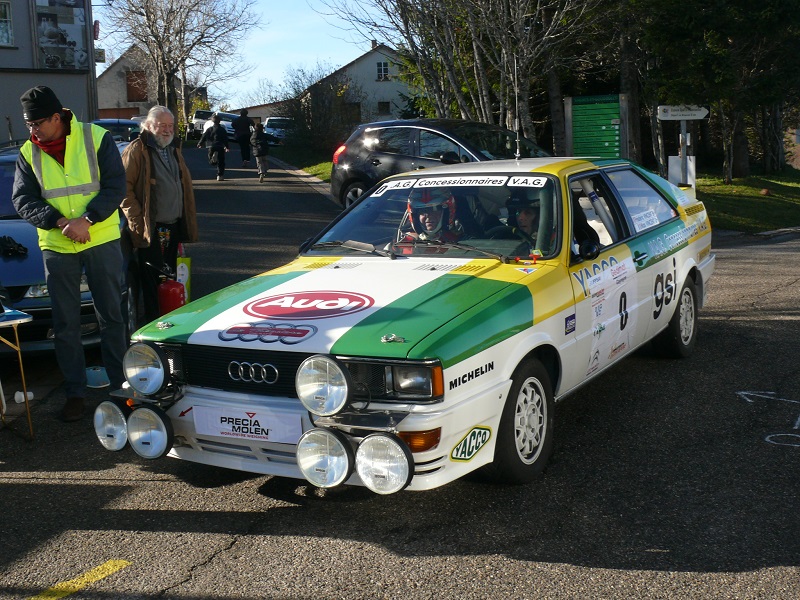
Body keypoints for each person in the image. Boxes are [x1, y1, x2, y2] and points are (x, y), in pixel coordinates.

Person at [11, 85, 127, 422]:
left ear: (58, 116)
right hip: (58, 246)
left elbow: (116, 185)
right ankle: (75, 392)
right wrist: (61, 221)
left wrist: (87, 219)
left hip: (101, 240)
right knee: (66, 325)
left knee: (111, 317)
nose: (33, 131)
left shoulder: (96, 137)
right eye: (28, 125)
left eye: (38, 123)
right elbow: (22, 200)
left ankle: (120, 389)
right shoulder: (27, 153)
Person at [121, 105, 199, 323]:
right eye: (161, 125)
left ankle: (168, 324)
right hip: (150, 227)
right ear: (148, 126)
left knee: (169, 279)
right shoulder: (137, 150)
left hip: (172, 225)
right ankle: (153, 330)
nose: (167, 130)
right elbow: (123, 189)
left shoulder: (173, 149)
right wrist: (137, 222)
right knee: (152, 284)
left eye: (170, 126)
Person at [197, 114, 229, 181]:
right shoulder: (222, 130)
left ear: (212, 121)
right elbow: (225, 139)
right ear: (219, 121)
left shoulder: (209, 129)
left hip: (211, 146)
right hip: (220, 146)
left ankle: (212, 160)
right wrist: (227, 147)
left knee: (211, 161)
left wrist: (200, 143)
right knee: (221, 162)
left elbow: (204, 136)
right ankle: (220, 175)